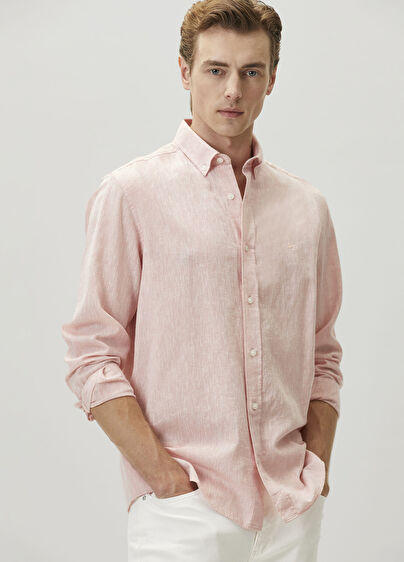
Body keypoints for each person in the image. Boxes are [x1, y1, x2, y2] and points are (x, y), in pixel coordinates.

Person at [61, 1, 344, 560]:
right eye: (216, 69)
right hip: (185, 511)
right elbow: (91, 355)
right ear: (185, 72)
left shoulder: (307, 208)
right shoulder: (132, 194)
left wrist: (315, 463)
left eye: (251, 71)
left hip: (290, 509)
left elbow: (323, 355)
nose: (233, 90)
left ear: (272, 79)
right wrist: (164, 477)